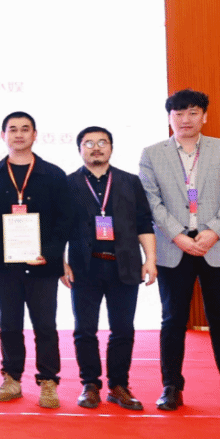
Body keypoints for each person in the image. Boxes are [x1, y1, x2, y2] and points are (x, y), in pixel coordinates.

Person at [138, 89, 220, 418]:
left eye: (193, 112)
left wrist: (212, 231)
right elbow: (152, 201)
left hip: (217, 246)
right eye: (179, 113)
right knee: (173, 320)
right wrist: (179, 236)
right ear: (170, 117)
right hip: (174, 249)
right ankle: (171, 387)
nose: (186, 119)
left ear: (204, 116)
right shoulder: (152, 154)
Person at [0, 111, 73, 409]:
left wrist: (50, 254)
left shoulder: (54, 174)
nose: (18, 134)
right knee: (9, 324)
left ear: (35, 134)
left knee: (45, 325)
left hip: (43, 265)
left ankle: (48, 381)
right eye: (12, 129)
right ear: (3, 135)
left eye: (25, 129)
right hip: (5, 266)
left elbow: (64, 221)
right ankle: (11, 379)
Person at [61, 127, 157, 411]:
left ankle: (118, 385)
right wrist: (60, 262)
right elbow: (59, 228)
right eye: (89, 143)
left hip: (124, 266)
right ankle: (90, 385)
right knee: (85, 330)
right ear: (80, 149)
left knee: (123, 329)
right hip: (84, 267)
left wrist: (150, 259)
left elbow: (143, 222)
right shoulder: (68, 184)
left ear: (111, 148)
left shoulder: (130, 181)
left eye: (102, 142)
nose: (96, 147)